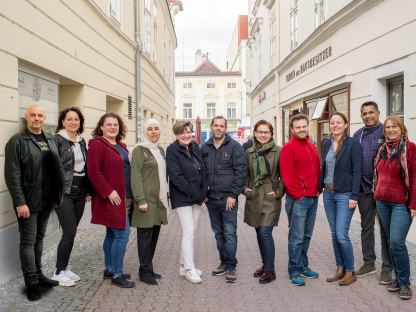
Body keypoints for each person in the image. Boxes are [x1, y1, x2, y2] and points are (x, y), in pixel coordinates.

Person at [5, 104, 64, 301]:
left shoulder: (50, 138)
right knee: (28, 242)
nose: (37, 118)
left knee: (39, 239)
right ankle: (31, 283)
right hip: (28, 202)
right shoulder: (17, 142)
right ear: (26, 117)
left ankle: (39, 275)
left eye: (40, 115)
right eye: (33, 115)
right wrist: (20, 202)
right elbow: (13, 175)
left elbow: (57, 169)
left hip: (47, 200)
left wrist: (57, 195)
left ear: (44, 118)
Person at [87, 113, 134, 288]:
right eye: (109, 124)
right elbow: (93, 172)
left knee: (112, 234)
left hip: (124, 197)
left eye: (115, 124)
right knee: (122, 234)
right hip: (113, 199)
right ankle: (117, 273)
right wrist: (108, 192)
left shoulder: (121, 145)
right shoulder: (98, 145)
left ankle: (109, 268)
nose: (113, 127)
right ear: (102, 127)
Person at [373, 116, 416, 300]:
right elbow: (377, 173)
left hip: (401, 204)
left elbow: (414, 179)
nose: (391, 130)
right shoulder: (383, 148)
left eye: (394, 126)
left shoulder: (410, 148)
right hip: (382, 202)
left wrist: (413, 204)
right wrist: (376, 192)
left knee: (397, 243)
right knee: (391, 242)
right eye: (388, 127)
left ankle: (405, 283)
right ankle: (398, 279)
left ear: (401, 128)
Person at [201, 116, 247, 283]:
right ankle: (223, 262)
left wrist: (233, 195)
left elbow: (241, 172)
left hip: (229, 200)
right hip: (211, 200)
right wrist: (203, 195)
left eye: (221, 126)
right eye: (216, 125)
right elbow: (200, 172)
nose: (218, 128)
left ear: (225, 128)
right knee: (218, 234)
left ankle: (231, 266)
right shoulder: (204, 147)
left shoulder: (235, 147)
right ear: (211, 127)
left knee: (229, 233)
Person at [320, 112, 362, 286]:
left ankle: (350, 271)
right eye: (332, 122)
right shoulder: (326, 143)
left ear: (346, 125)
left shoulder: (353, 144)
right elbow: (324, 167)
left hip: (345, 195)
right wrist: (319, 187)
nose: (335, 125)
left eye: (339, 122)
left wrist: (354, 196)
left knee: (341, 234)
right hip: (329, 193)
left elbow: (357, 171)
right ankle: (340, 268)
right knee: (333, 233)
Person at [353, 101, 393, 283]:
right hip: (364, 190)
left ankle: (387, 267)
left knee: (385, 229)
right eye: (364, 113)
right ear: (361, 116)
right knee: (366, 227)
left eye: (371, 112)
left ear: (378, 112)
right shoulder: (357, 134)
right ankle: (369, 262)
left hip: (383, 190)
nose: (368, 116)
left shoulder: (387, 131)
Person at [51, 107, 91, 287]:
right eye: (70, 119)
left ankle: (65, 268)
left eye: (77, 119)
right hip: (63, 192)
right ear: (63, 122)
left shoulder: (82, 142)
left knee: (71, 232)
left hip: (80, 192)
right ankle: (58, 272)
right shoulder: (56, 140)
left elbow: (86, 168)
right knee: (69, 232)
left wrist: (88, 191)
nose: (73, 122)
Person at [280, 114, 320, 286]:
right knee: (296, 237)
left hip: (313, 197)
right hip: (299, 199)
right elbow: (287, 176)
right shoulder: (289, 148)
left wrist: (317, 190)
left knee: (307, 235)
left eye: (304, 126)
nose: (302, 129)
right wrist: (299, 194)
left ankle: (303, 265)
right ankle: (294, 270)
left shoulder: (311, 146)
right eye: (298, 127)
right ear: (292, 130)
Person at [243, 120, 285, 284]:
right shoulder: (249, 152)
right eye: (259, 132)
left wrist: (277, 193)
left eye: (266, 132)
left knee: (265, 233)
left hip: (270, 197)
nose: (262, 135)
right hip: (254, 196)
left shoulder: (279, 151)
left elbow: (285, 176)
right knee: (258, 232)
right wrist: (245, 189)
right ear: (254, 133)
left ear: (271, 134)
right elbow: (244, 172)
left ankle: (270, 270)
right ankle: (265, 264)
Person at [166, 120, 207, 284]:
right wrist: (195, 193)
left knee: (191, 231)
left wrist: (203, 192)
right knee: (188, 231)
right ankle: (190, 269)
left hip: (197, 197)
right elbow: (176, 177)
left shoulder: (195, 147)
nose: (186, 135)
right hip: (182, 197)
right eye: (181, 132)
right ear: (176, 134)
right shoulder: (172, 150)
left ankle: (183, 266)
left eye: (188, 131)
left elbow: (203, 170)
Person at [130, 119, 168, 285]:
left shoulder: (159, 150)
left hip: (158, 200)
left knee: (153, 236)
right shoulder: (140, 150)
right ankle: (144, 272)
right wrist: (140, 199)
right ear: (145, 131)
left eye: (156, 129)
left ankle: (148, 268)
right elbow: (135, 176)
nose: (154, 132)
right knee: (144, 237)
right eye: (150, 129)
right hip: (146, 201)